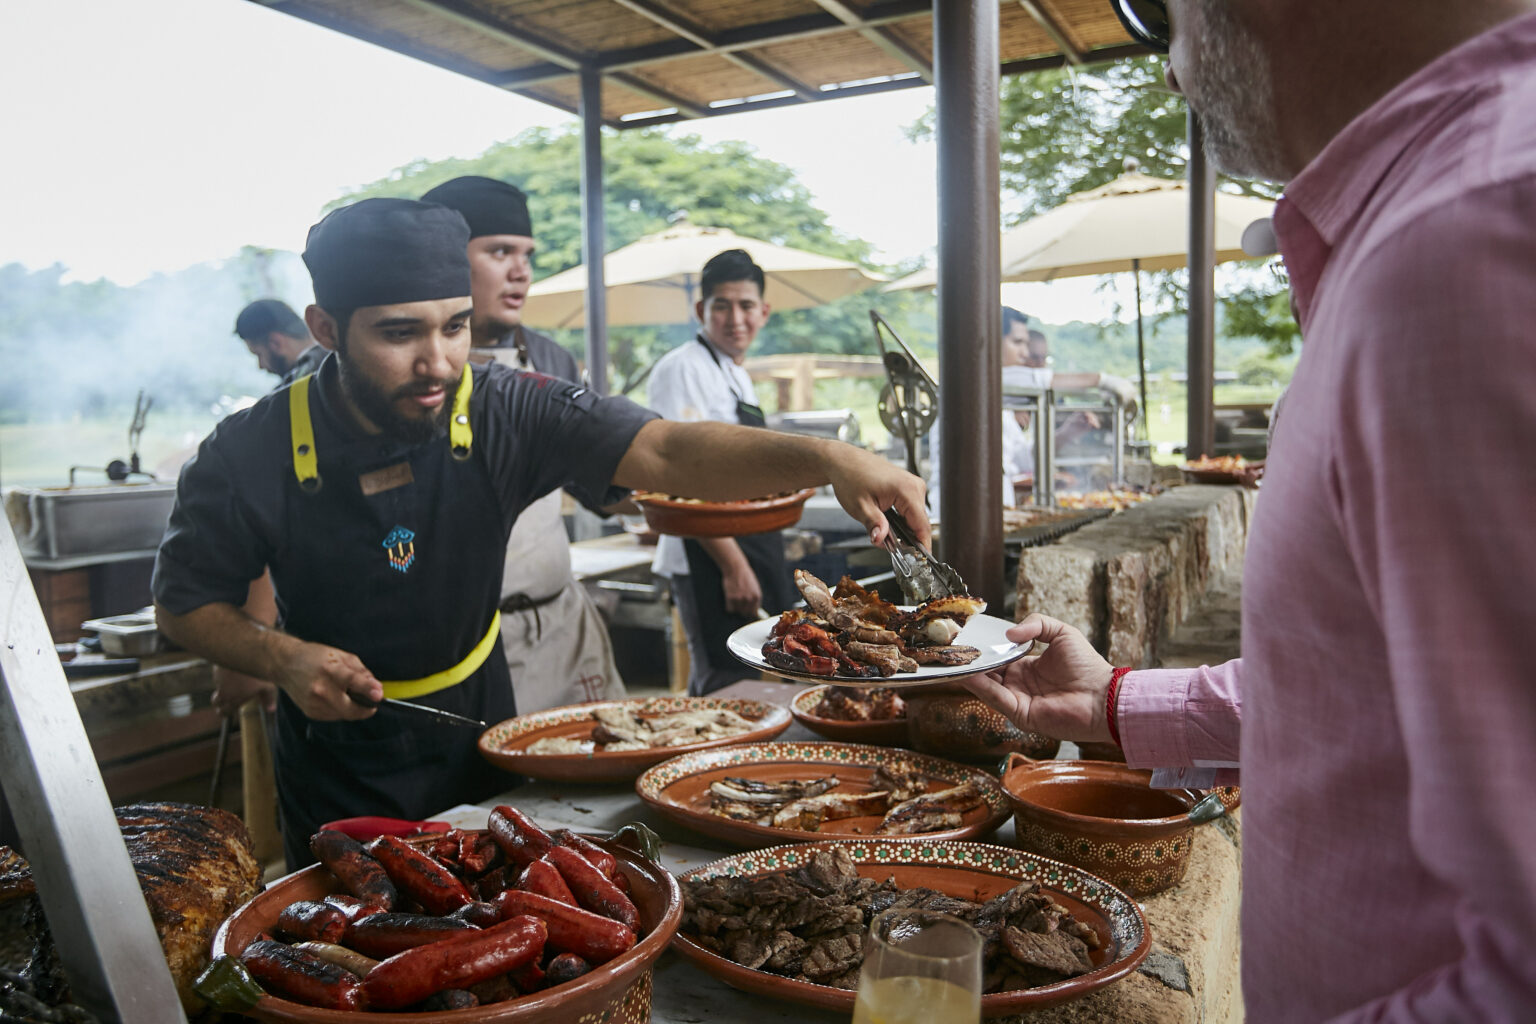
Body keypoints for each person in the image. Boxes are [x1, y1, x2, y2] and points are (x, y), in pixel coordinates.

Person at [966, 1, 1536, 1018]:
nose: (1171, 64)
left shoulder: (1473, 240)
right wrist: (1112, 704)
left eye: (1155, 13)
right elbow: (1366, 692)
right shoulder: (1437, 222)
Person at [153, 199, 927, 868]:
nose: (437, 362)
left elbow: (665, 450)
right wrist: (281, 656)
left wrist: (830, 458)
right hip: (336, 764)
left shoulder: (502, 408)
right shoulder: (245, 453)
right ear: (325, 328)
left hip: (484, 730)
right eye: (400, 334)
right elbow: (186, 603)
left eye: (455, 327)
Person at [420, 175, 625, 713]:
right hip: (466, 643)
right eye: (499, 251)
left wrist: (651, 497)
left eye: (527, 254)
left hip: (564, 623)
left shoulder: (550, 360)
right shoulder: (414, 374)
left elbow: (587, 481)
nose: (521, 271)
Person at [647, 249, 795, 695]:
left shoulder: (733, 373)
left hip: (748, 543)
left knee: (745, 678)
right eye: (722, 305)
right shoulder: (683, 369)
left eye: (746, 305)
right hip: (708, 555)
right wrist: (734, 566)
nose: (736, 318)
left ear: (764, 312)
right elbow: (683, 481)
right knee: (724, 684)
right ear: (700, 311)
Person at [234, 298, 327, 383]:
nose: (260, 366)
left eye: (259, 354)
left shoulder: (306, 380)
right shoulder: (332, 357)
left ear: (276, 343)